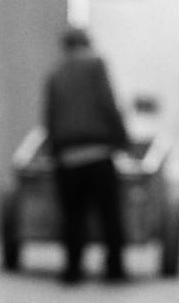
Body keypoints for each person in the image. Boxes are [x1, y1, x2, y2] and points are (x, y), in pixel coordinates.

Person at [43, 24, 132, 285]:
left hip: (68, 158)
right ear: (87, 43)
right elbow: (108, 103)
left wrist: (54, 150)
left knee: (73, 216)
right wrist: (122, 139)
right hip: (98, 154)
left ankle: (73, 269)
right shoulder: (96, 66)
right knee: (109, 214)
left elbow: (50, 115)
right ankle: (114, 269)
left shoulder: (55, 72)